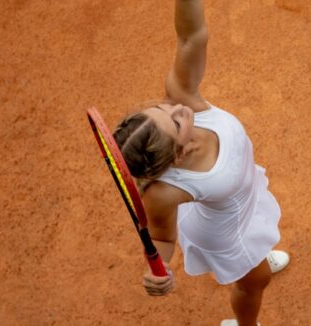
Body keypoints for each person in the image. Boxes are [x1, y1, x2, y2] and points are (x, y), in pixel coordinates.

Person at [111, 0, 288, 325]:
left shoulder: (181, 96)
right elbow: (163, 237)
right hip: (228, 233)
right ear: (176, 156)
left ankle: (257, 257)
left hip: (243, 200)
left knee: (258, 259)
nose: (178, 109)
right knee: (255, 282)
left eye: (162, 110)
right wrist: (158, 271)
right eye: (176, 123)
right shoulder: (163, 193)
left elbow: (192, 37)